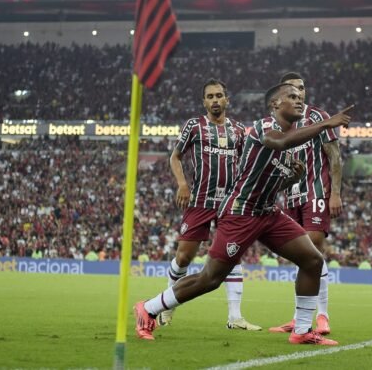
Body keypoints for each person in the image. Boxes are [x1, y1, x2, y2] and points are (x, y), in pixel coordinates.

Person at [134, 83, 353, 345]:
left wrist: (290, 178)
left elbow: (268, 181)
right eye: (291, 97)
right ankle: (148, 308)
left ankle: (303, 330)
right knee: (211, 278)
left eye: (300, 98)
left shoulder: (289, 144)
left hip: (269, 214)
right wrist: (326, 124)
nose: (299, 101)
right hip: (241, 212)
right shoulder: (263, 127)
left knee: (313, 261)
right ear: (275, 105)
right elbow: (279, 141)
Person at [159, 79, 261, 331]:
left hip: (230, 203)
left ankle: (235, 317)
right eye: (210, 96)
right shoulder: (194, 126)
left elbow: (247, 162)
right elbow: (175, 156)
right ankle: (168, 303)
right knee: (184, 256)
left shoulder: (238, 130)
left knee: (232, 255)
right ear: (204, 101)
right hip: (201, 200)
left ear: (227, 99)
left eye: (219, 96)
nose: (215, 100)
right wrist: (183, 184)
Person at [269, 72, 343, 336]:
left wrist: (335, 193)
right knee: (300, 256)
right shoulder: (280, 123)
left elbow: (334, 156)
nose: (299, 94)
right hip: (290, 197)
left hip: (316, 192)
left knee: (313, 249)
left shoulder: (319, 118)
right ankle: (299, 317)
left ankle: (322, 315)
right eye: (293, 90)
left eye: (302, 89)